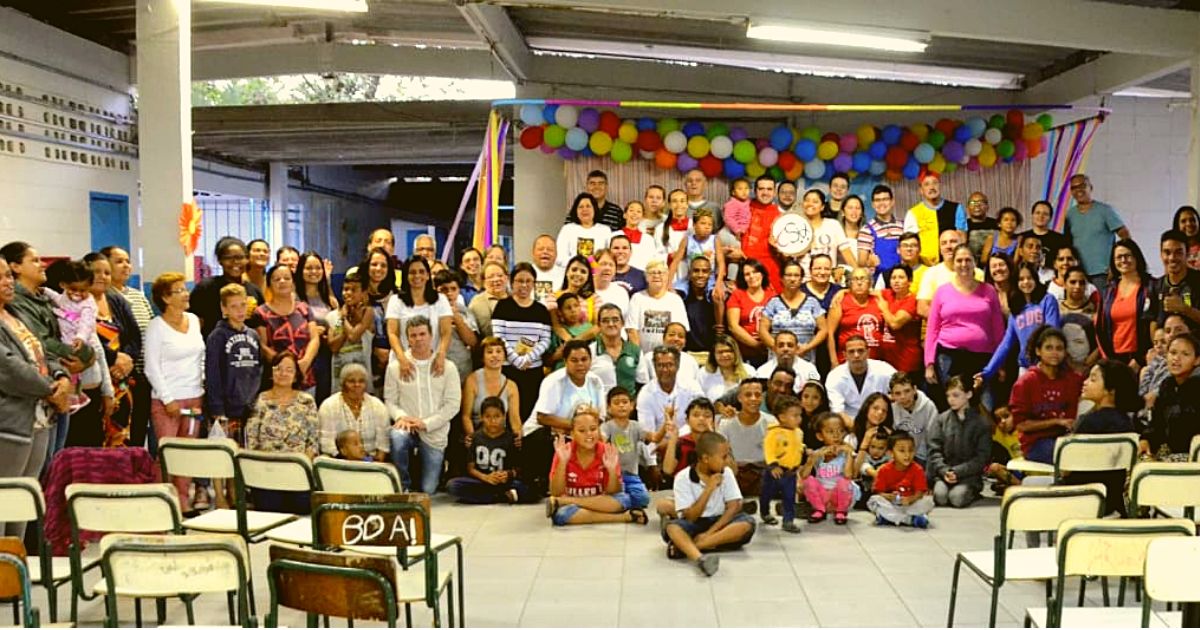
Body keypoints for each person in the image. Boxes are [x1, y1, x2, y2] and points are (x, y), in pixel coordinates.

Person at [0, 259, 70, 539]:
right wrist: (51, 390)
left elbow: (42, 351)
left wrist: (60, 375)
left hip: (39, 418)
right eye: (2, 277)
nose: (7, 282)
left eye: (8, 275)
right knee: (5, 497)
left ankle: (18, 566)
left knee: (25, 495)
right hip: (10, 421)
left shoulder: (15, 315)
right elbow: (9, 367)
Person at [144, 272, 206, 510]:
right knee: (168, 453)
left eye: (184, 289)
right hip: (166, 400)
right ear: (165, 298)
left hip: (194, 396)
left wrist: (201, 383)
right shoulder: (156, 327)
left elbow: (200, 355)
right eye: (179, 291)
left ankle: (183, 500)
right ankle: (165, 501)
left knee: (188, 452)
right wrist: (167, 398)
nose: (185, 294)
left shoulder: (192, 320)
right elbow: (151, 367)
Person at [384, 316, 461, 494]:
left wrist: (426, 424)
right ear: (407, 339)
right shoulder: (395, 367)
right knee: (397, 437)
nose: (418, 339)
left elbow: (453, 405)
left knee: (428, 489)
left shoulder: (448, 367)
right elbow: (390, 400)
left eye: (422, 334)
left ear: (431, 335)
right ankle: (402, 486)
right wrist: (401, 417)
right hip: (407, 426)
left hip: (434, 432)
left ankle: (435, 469)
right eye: (413, 335)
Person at [662, 431, 755, 576]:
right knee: (672, 528)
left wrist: (709, 533)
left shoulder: (727, 472)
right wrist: (709, 489)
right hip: (696, 523)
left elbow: (733, 507)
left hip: (720, 522)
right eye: (723, 457)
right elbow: (690, 517)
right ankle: (700, 559)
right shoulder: (683, 478)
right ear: (705, 458)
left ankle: (688, 547)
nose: (727, 461)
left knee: (747, 523)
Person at [925, 244, 1006, 410]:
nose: (964, 264)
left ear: (975, 263)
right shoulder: (942, 291)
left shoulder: (989, 291)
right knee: (954, 407)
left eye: (968, 260)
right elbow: (932, 329)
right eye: (959, 260)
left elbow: (998, 329)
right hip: (949, 356)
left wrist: (1000, 364)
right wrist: (929, 363)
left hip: (983, 359)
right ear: (953, 264)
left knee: (985, 406)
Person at [524, 340, 607, 491]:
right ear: (565, 362)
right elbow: (542, 417)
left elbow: (600, 417)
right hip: (542, 433)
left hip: (576, 433)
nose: (580, 364)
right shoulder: (554, 381)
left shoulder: (596, 381)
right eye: (574, 360)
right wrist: (576, 428)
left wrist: (581, 430)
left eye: (584, 359)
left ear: (590, 360)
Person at [547, 406, 647, 526]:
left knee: (624, 500)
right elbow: (555, 492)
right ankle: (624, 517)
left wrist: (611, 470)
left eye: (593, 429)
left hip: (600, 501)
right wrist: (562, 463)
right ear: (572, 434)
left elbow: (613, 492)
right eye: (582, 431)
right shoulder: (564, 451)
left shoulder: (606, 450)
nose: (589, 434)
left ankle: (567, 503)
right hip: (576, 507)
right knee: (562, 515)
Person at [245, 351, 319, 513]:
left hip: (297, 470)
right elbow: (251, 440)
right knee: (270, 509)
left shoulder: (307, 401)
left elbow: (313, 442)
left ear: (296, 376)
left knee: (302, 507)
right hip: (267, 470)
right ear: (271, 372)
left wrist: (301, 468)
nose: (283, 373)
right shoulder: (260, 400)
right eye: (278, 368)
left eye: (289, 370)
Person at [100, 246, 153, 448]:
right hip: (114, 374)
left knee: (138, 429)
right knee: (116, 432)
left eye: (128, 261)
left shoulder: (139, 296)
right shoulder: (103, 297)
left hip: (139, 372)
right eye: (119, 261)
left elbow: (143, 334)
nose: (126, 266)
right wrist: (118, 361)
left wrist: (131, 359)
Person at [1007, 326, 1083, 464]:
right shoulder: (1025, 382)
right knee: (1070, 456)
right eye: (1049, 348)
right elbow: (1021, 425)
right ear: (1038, 351)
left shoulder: (1072, 380)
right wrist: (1056, 421)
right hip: (1036, 443)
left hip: (1066, 438)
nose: (1054, 353)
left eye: (1059, 348)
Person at [1074, 359, 1139, 515]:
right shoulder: (1128, 424)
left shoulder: (1087, 423)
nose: (1085, 382)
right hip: (1113, 501)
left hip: (1078, 497)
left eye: (1093, 379)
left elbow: (1065, 471)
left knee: (1030, 485)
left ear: (1111, 390)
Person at [979, 263, 1062, 384]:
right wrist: (987, 372)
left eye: (1029, 278)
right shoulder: (1016, 310)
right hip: (1024, 367)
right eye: (1021, 279)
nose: (1026, 282)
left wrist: (1044, 360)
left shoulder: (1048, 300)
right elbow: (1006, 344)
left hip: (1047, 366)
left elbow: (1052, 332)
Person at [492, 263, 552, 423]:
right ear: (512, 282)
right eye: (519, 281)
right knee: (506, 412)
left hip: (533, 370)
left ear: (534, 283)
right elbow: (499, 337)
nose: (524, 285)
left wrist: (528, 358)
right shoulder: (503, 306)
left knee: (529, 414)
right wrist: (517, 361)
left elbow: (545, 339)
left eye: (528, 281)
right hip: (508, 369)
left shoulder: (541, 310)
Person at [205, 284, 263, 451]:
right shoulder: (217, 336)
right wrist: (217, 409)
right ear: (224, 309)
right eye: (234, 306)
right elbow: (213, 374)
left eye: (243, 305)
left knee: (247, 456)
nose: (239, 310)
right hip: (227, 408)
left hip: (250, 407)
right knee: (226, 459)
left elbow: (258, 370)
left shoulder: (253, 335)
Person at [636, 344, 702, 485]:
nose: (665, 370)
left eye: (669, 365)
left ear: (677, 366)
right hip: (658, 447)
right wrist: (652, 465)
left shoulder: (692, 387)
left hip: (687, 442)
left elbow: (701, 420)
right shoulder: (645, 393)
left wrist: (674, 439)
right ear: (654, 367)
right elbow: (646, 434)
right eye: (660, 365)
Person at [446, 396, 531, 504]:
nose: (493, 421)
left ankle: (486, 497)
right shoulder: (475, 438)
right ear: (481, 417)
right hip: (481, 480)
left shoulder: (511, 439)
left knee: (528, 488)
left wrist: (508, 474)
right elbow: (470, 468)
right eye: (488, 417)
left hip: (503, 482)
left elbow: (518, 468)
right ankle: (500, 497)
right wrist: (485, 477)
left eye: (497, 416)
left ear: (504, 416)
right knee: (453, 486)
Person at [926, 376, 990, 508]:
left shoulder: (981, 423)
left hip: (968, 476)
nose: (951, 400)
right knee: (940, 497)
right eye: (948, 396)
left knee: (957, 498)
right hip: (945, 473)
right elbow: (934, 449)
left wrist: (958, 472)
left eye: (956, 395)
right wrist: (944, 470)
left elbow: (982, 457)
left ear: (968, 394)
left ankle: (973, 491)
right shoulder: (942, 419)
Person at [387, 256, 453, 383]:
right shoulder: (396, 300)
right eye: (412, 272)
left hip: (433, 363)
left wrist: (441, 355)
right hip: (403, 363)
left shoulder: (441, 300)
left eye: (421, 271)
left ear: (428, 275)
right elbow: (392, 333)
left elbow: (446, 332)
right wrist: (402, 359)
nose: (417, 276)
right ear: (406, 276)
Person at [257, 263, 320, 393]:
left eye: (287, 278)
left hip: (305, 376)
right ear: (269, 284)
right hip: (277, 379)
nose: (282, 282)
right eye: (276, 279)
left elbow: (314, 339)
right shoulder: (261, 312)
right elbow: (262, 346)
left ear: (293, 283)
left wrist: (305, 361)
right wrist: (287, 366)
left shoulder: (304, 308)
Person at [1096, 239, 1156, 371]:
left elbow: (1154, 326)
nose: (1123, 260)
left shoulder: (1151, 287)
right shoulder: (1108, 291)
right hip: (1113, 359)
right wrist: (1108, 359)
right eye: (1119, 257)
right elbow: (1100, 328)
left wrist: (1141, 359)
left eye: (1128, 255)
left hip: (1142, 359)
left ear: (1136, 257)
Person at [190, 237, 265, 339]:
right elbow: (195, 323)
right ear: (220, 260)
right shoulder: (206, 288)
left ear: (247, 259)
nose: (235, 262)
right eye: (228, 258)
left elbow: (259, 327)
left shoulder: (254, 291)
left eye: (240, 257)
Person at [1064, 174, 1131, 288]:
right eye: (1074, 187)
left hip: (1103, 274)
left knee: (1104, 305)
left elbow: (1125, 236)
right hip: (1079, 275)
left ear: (1090, 187)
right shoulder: (1070, 215)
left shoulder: (1105, 210)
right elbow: (1067, 244)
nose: (1078, 190)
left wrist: (1115, 265)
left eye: (1082, 185)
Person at [1142, 332, 1200, 461]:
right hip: (1172, 453)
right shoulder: (1167, 385)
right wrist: (1147, 439)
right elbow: (1158, 424)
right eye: (1173, 353)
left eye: (1185, 354)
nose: (1176, 358)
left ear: (1197, 360)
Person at [717, 378, 775, 504]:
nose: (753, 399)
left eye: (757, 395)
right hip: (735, 472)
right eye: (748, 395)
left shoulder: (772, 422)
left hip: (762, 472)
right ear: (739, 398)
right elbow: (721, 454)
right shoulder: (726, 423)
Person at [318, 363, 390, 462]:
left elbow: (383, 446)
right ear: (342, 384)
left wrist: (372, 465)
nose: (357, 385)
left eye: (361, 381)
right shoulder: (329, 406)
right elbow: (327, 446)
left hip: (371, 462)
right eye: (351, 381)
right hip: (339, 462)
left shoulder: (378, 406)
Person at [760, 259, 827, 365]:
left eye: (796, 275)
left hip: (805, 359)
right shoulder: (773, 303)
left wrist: (807, 347)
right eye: (788, 275)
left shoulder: (813, 302)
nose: (792, 279)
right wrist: (778, 348)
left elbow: (823, 330)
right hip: (778, 361)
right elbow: (763, 330)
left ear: (801, 279)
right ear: (782, 278)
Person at [461, 336, 523, 441]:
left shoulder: (511, 386)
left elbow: (515, 419)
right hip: (477, 435)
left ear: (504, 357)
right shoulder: (472, 380)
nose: (495, 355)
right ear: (482, 357)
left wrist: (518, 437)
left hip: (500, 438)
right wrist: (474, 439)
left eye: (499, 351)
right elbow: (466, 416)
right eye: (489, 352)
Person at [600, 386, 652, 510]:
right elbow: (600, 440)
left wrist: (665, 427)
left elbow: (652, 438)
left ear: (632, 405)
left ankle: (620, 503)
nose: (621, 406)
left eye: (625, 402)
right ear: (608, 408)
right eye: (616, 403)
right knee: (618, 492)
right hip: (612, 474)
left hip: (632, 475)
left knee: (644, 499)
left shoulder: (636, 426)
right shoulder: (607, 426)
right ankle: (619, 500)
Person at [826, 335, 897, 426]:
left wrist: (889, 398)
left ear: (868, 352)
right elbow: (838, 411)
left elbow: (901, 389)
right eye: (851, 352)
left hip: (881, 419)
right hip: (850, 423)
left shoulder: (884, 369)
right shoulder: (835, 376)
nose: (856, 355)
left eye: (860, 351)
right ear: (845, 355)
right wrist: (859, 430)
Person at [801, 412, 858, 525]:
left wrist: (849, 454)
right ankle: (819, 510)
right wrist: (812, 459)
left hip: (840, 496)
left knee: (844, 482)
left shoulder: (846, 453)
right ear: (820, 436)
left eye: (840, 431)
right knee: (809, 480)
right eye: (830, 432)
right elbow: (804, 475)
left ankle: (841, 512)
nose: (836, 435)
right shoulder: (818, 453)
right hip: (822, 496)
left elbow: (848, 475)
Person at [867, 432, 933, 528]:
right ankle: (909, 519)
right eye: (902, 451)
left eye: (911, 450)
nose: (907, 455)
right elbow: (878, 493)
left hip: (910, 505)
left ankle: (890, 518)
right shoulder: (884, 470)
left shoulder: (917, 469)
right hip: (892, 504)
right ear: (891, 453)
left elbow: (920, 493)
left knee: (928, 501)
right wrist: (889, 496)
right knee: (874, 501)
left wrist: (910, 499)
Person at [761, 394, 804, 532]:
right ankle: (765, 512)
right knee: (767, 493)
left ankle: (788, 521)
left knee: (789, 497)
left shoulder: (798, 432)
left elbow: (797, 446)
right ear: (782, 417)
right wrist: (773, 465)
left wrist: (804, 450)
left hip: (790, 473)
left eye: (799, 415)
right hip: (775, 471)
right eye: (795, 415)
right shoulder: (774, 433)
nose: (799, 419)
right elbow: (768, 449)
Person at [904, 171, 966, 266]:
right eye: (927, 184)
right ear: (921, 190)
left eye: (935, 183)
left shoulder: (956, 208)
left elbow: (962, 239)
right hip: (924, 266)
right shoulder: (913, 213)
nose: (931, 187)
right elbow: (910, 244)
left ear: (940, 186)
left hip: (952, 265)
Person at [626, 259, 689, 351]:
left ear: (667, 276)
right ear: (646, 277)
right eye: (652, 273)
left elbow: (680, 332)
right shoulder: (637, 298)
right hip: (643, 356)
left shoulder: (676, 300)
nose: (656, 276)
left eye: (660, 273)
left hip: (669, 356)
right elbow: (632, 331)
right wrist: (639, 358)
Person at [327, 269, 374, 391]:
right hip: (340, 376)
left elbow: (353, 336)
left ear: (364, 293)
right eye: (345, 289)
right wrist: (342, 319)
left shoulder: (367, 313)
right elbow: (333, 345)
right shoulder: (334, 317)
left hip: (362, 377)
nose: (348, 293)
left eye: (353, 290)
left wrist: (344, 318)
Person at [826, 267, 884, 365]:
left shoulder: (878, 299)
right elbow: (830, 333)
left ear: (870, 283)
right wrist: (833, 361)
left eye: (863, 279)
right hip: (847, 360)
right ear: (850, 283)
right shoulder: (840, 300)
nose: (859, 283)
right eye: (855, 279)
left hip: (875, 361)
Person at [726, 259, 774, 365]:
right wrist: (756, 345)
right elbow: (733, 326)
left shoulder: (773, 296)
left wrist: (768, 343)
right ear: (743, 278)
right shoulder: (737, 295)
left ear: (762, 274)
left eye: (755, 272)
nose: (752, 276)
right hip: (744, 353)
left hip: (770, 351)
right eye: (747, 274)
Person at [433, 269, 479, 382]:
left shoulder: (465, 311)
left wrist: (456, 317)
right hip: (436, 368)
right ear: (435, 290)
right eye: (444, 290)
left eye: (453, 289)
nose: (449, 293)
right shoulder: (428, 310)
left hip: (462, 369)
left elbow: (472, 342)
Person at [877, 265, 921, 380]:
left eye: (901, 277)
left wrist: (884, 309)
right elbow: (868, 291)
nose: (896, 281)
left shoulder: (913, 300)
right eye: (893, 278)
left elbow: (895, 324)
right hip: (887, 360)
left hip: (906, 361)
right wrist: (843, 292)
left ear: (910, 281)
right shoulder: (888, 294)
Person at [1151, 229, 1200, 328]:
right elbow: (1152, 321)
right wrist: (1159, 342)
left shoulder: (1197, 280)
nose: (1172, 258)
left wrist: (1185, 309)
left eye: (1178, 252)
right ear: (1161, 255)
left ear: (1187, 254)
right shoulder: (1155, 286)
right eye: (1167, 252)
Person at [797, 188, 853, 273]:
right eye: (807, 200)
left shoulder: (833, 225)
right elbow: (788, 258)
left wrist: (859, 273)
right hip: (803, 279)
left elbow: (846, 252)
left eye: (815, 202)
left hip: (828, 278)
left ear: (822, 207)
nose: (810, 204)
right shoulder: (795, 226)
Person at [741, 176, 783, 290]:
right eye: (761, 189)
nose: (765, 192)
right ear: (755, 191)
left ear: (774, 192)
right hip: (743, 266)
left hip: (770, 269)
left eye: (769, 189)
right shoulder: (743, 209)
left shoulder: (781, 217)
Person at [591, 303, 640, 393]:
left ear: (622, 323)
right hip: (599, 405)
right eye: (605, 321)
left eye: (615, 320)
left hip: (629, 405)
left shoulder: (636, 351)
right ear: (598, 325)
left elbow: (642, 384)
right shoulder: (590, 351)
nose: (611, 324)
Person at [889, 372, 935, 464]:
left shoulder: (929, 407)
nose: (903, 397)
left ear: (915, 389)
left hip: (923, 456)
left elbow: (933, 441)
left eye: (907, 391)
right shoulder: (892, 409)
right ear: (892, 395)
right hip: (899, 457)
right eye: (898, 393)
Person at [558, 192, 613, 267]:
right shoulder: (567, 229)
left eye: (588, 206)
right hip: (573, 271)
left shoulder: (605, 230)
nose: (584, 209)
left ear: (595, 209)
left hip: (597, 273)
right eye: (581, 207)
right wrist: (578, 265)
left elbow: (609, 256)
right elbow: (560, 257)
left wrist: (594, 267)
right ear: (576, 211)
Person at [863, 185, 903, 284]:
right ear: (872, 204)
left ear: (892, 201)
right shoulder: (866, 229)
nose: (881, 203)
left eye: (885, 199)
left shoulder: (903, 226)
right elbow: (861, 262)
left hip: (902, 280)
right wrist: (869, 262)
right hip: (879, 282)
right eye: (877, 200)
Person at [754, 330, 820, 390]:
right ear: (774, 348)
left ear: (797, 348)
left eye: (790, 345)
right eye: (781, 345)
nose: (785, 349)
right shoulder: (762, 371)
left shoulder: (809, 369)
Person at [679, 255, 720, 352]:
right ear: (689, 273)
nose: (700, 275)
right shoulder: (681, 298)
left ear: (710, 274)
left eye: (705, 271)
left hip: (712, 354)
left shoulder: (716, 299)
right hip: (688, 353)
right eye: (696, 271)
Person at [698, 335, 754, 401]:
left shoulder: (749, 371)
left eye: (729, 351)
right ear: (713, 355)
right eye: (720, 352)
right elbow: (699, 400)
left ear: (735, 353)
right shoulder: (704, 373)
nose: (724, 355)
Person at [1023, 200, 1068, 271]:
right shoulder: (1022, 237)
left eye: (1045, 214)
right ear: (1032, 215)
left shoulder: (1060, 239)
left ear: (1050, 217)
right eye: (1037, 213)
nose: (1041, 216)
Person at [468, 261, 508, 339]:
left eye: (500, 275)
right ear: (483, 281)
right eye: (491, 277)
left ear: (506, 278)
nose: (496, 279)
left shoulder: (516, 299)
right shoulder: (476, 302)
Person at [618, 202, 661, 272]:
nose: (635, 213)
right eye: (631, 210)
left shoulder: (648, 239)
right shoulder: (614, 236)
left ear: (642, 217)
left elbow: (652, 262)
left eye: (638, 211)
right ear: (624, 215)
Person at [592, 248, 630, 319]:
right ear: (593, 267)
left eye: (611, 265)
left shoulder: (621, 292)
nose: (607, 268)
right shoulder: (584, 291)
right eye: (603, 264)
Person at [963, 191, 997, 264]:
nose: (977, 205)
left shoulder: (997, 224)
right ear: (968, 207)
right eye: (972, 202)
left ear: (987, 206)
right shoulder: (962, 226)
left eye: (981, 202)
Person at [841, 195, 870, 270]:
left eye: (858, 208)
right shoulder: (836, 233)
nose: (854, 211)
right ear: (843, 212)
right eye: (850, 208)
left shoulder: (867, 233)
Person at [1172, 205, 1200, 270]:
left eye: (1192, 220)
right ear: (1177, 225)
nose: (1188, 224)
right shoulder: (1173, 251)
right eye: (1183, 221)